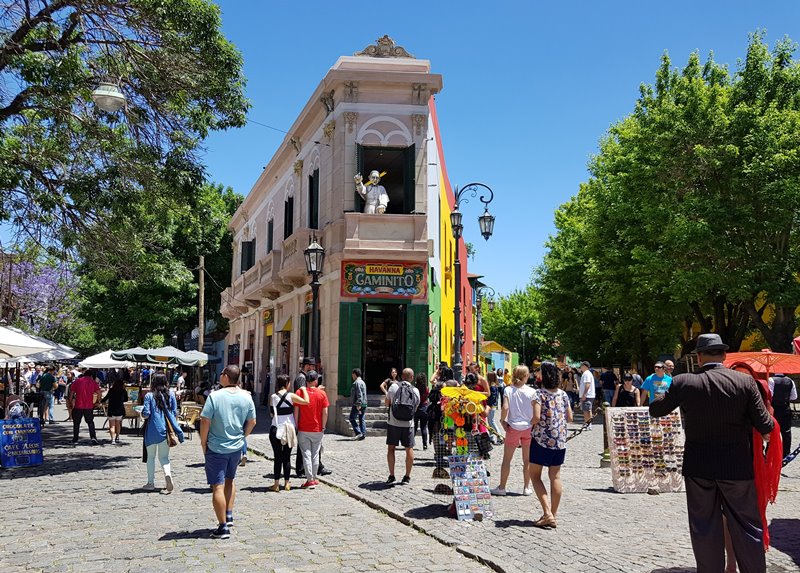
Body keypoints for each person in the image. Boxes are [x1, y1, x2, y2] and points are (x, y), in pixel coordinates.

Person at [649, 333, 774, 573]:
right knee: (748, 526)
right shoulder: (745, 382)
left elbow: (656, 409)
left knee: (704, 526)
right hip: (737, 467)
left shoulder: (684, 382)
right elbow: (766, 425)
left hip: (699, 467)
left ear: (698, 357)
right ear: (725, 355)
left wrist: (666, 391)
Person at [200, 365, 257, 539]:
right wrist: (242, 437)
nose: (220, 376)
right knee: (230, 481)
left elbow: (204, 421)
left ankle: (223, 526)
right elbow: (252, 421)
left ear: (226, 377)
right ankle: (229, 514)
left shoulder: (214, 397)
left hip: (217, 446)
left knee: (217, 486)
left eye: (222, 373)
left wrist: (204, 443)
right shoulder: (246, 397)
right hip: (235, 447)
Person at [529, 362, 573, 528]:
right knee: (555, 476)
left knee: (534, 475)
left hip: (541, 440)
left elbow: (536, 417)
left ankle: (547, 513)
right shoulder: (563, 394)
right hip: (560, 441)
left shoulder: (538, 394)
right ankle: (552, 515)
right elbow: (569, 417)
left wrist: (529, 424)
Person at [491, 365, 537, 496]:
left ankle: (502, 487)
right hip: (527, 427)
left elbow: (505, 407)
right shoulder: (532, 392)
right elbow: (536, 411)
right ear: (526, 376)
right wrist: (532, 423)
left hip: (513, 427)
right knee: (527, 460)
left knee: (507, 460)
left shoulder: (508, 390)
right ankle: (526, 487)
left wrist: (502, 421)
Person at [141, 374, 184, 492]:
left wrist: (142, 413)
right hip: (165, 431)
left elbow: (146, 414)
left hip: (151, 431)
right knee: (164, 457)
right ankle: (167, 474)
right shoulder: (171, 395)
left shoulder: (149, 396)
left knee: (151, 457)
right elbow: (174, 413)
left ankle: (150, 483)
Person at [269, 374, 308, 492]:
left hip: (276, 428)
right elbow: (306, 401)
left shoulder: (273, 397)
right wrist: (303, 389)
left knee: (277, 457)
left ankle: (276, 483)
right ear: (287, 384)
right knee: (287, 457)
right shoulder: (291, 396)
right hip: (289, 429)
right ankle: (286, 483)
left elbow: (271, 413)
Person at [294, 370, 329, 489]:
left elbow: (296, 411)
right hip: (317, 428)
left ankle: (309, 479)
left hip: (303, 428)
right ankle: (314, 477)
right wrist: (323, 426)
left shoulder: (299, 392)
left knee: (306, 454)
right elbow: (325, 412)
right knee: (315, 454)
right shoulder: (322, 394)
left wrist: (296, 426)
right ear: (315, 381)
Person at [385, 367, 420, 484]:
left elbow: (386, 403)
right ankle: (407, 477)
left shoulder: (393, 387)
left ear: (401, 376)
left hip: (393, 423)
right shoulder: (415, 390)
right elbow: (416, 407)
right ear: (412, 377)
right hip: (408, 425)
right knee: (409, 449)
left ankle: (391, 475)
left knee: (391, 448)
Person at [70, 369, 101, 444]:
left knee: (76, 423)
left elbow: (72, 393)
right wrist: (98, 401)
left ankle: (75, 438)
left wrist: (71, 402)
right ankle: (93, 437)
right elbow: (98, 392)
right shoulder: (93, 382)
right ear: (91, 375)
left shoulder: (77, 381)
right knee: (90, 422)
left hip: (78, 405)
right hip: (88, 406)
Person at [769, 373, 796, 458]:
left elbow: (770, 395)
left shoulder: (771, 379)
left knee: (772, 431)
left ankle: (771, 452)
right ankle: (786, 452)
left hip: (774, 409)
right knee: (786, 432)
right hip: (785, 408)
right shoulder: (790, 381)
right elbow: (794, 397)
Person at [101, 372, 128, 444]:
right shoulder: (123, 391)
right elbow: (126, 400)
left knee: (112, 425)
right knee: (118, 424)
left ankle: (112, 439)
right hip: (120, 409)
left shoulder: (111, 390)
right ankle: (117, 437)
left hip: (111, 409)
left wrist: (101, 401)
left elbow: (106, 398)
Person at [349, 368, 367, 440]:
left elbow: (359, 394)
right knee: (361, 418)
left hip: (358, 404)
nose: (352, 376)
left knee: (351, 418)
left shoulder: (357, 383)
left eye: (352, 374)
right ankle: (363, 434)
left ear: (354, 374)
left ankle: (359, 432)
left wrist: (358, 404)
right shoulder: (362, 382)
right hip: (364, 403)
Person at [414, 371, 430, 450]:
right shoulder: (427, 388)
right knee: (424, 427)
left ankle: (411, 442)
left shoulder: (415, 388)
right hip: (424, 408)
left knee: (414, 426)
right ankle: (425, 444)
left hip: (416, 408)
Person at [486, 371, 503, 443]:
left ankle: (500, 437)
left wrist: (487, 402)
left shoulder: (492, 386)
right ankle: (492, 437)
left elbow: (492, 398)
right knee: (490, 422)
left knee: (492, 422)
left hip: (491, 406)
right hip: (492, 406)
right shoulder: (493, 385)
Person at [578, 361, 596, 428]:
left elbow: (587, 384)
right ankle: (588, 424)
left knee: (586, 410)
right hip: (588, 395)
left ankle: (587, 424)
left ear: (585, 366)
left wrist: (584, 394)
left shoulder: (586, 374)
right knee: (588, 410)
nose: (581, 368)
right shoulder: (587, 373)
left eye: (581, 366)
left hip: (587, 395)